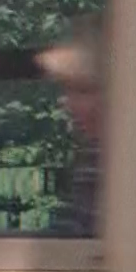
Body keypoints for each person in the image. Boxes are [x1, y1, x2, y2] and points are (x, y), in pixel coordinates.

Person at [36, 13, 105, 234]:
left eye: (83, 90)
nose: (67, 103)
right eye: (66, 89)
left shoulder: (119, 167)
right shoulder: (93, 157)